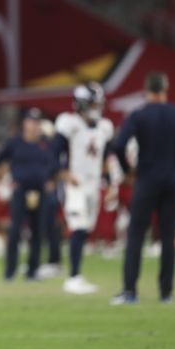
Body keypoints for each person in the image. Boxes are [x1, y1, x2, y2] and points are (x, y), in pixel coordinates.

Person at [108, 72, 175, 304]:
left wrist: (128, 170)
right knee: (168, 236)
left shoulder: (139, 115)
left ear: (146, 90)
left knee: (136, 235)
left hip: (146, 179)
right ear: (165, 89)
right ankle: (166, 293)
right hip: (173, 180)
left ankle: (130, 291)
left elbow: (120, 145)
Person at [53, 83, 114, 295]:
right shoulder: (69, 124)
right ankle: (73, 278)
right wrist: (64, 174)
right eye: (92, 103)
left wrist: (110, 182)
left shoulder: (105, 127)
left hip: (94, 184)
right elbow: (54, 153)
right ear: (81, 104)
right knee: (78, 228)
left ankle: (75, 275)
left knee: (86, 228)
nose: (96, 107)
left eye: (98, 103)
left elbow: (105, 157)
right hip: (75, 183)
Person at [0, 108, 60, 283]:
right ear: (24, 123)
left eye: (37, 122)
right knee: (15, 230)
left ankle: (33, 270)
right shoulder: (15, 143)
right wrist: (5, 178)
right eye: (31, 121)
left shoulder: (46, 144)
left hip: (40, 192)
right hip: (20, 190)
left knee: (38, 231)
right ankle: (10, 271)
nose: (34, 125)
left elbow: (55, 166)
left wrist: (51, 181)